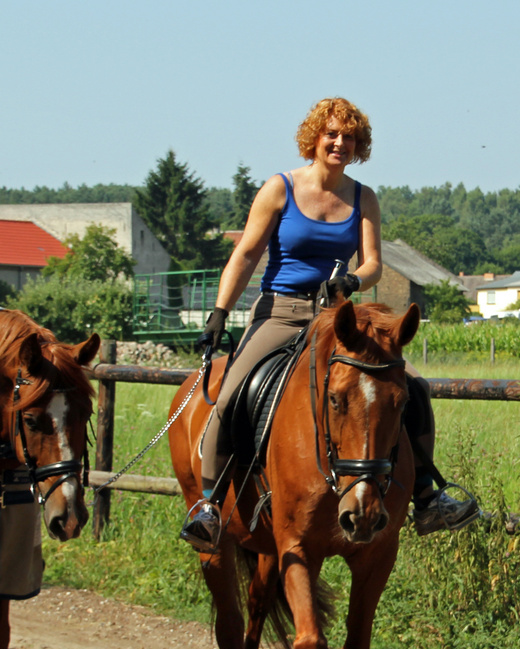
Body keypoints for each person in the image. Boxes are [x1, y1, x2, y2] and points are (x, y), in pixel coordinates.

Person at [180, 97, 479, 551]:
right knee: (231, 391)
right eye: (332, 135)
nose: (340, 143)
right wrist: (220, 313)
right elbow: (244, 255)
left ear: (359, 146)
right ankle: (207, 506)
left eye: (350, 137)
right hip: (281, 311)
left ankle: (426, 497)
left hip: (338, 316)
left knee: (412, 388)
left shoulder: (364, 198)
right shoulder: (279, 189)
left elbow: (375, 263)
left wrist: (353, 278)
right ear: (314, 139)